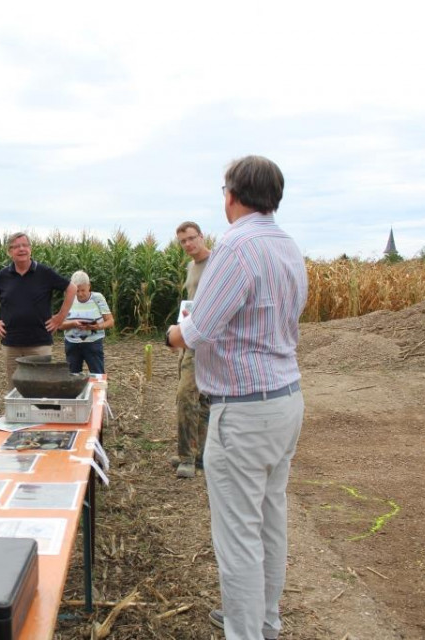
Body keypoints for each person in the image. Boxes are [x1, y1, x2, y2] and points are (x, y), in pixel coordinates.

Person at [166, 156, 307, 640]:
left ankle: (245, 633)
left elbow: (198, 329)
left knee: (238, 536)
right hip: (285, 398)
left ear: (231, 195)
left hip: (243, 410)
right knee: (270, 519)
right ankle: (265, 623)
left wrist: (173, 334)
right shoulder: (288, 246)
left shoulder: (236, 247)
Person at [0, 232, 77, 390]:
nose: (21, 249)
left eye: (25, 245)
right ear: (9, 252)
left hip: (39, 343)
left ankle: (38, 415)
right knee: (15, 388)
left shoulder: (44, 273)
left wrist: (60, 318)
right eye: (16, 246)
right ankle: (18, 415)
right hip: (11, 343)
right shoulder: (4, 275)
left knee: (41, 388)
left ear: (30, 249)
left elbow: (71, 288)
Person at [172, 222, 212, 479]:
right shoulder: (191, 266)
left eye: (191, 238)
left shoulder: (216, 264)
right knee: (199, 398)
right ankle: (199, 455)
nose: (188, 244)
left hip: (208, 340)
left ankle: (188, 458)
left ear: (202, 236)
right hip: (190, 337)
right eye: (183, 241)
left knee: (187, 395)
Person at [60, 270, 113, 374]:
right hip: (72, 344)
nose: (80, 294)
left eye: (83, 290)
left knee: (97, 375)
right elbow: (60, 325)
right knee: (72, 376)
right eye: (77, 290)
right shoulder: (69, 299)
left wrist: (97, 327)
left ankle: (98, 390)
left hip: (93, 343)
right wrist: (73, 324)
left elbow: (110, 321)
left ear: (89, 286)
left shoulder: (98, 298)